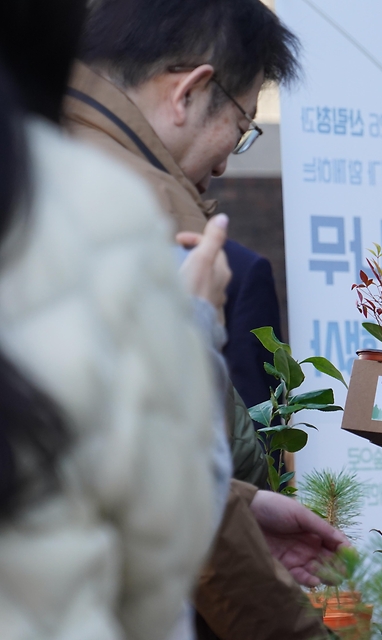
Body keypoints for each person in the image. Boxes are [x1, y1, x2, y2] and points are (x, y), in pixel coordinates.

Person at [64, 1, 346, 637]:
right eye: (242, 127)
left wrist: (237, 500)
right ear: (188, 92)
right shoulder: (134, 216)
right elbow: (165, 481)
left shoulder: (42, 162)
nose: (223, 165)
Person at [0, 1, 220, 636]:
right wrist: (198, 325)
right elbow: (159, 558)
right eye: (243, 123)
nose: (228, 161)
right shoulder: (95, 209)